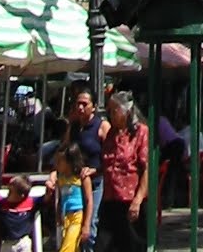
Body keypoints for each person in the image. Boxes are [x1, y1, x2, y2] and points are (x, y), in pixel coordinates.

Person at [96, 93, 148, 252]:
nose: (110, 115)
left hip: (129, 201)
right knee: (103, 247)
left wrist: (138, 200)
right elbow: (108, 163)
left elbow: (146, 168)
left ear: (125, 111)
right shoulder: (111, 134)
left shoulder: (141, 132)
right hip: (110, 200)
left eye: (113, 111)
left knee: (131, 246)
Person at [68, 85, 108, 252]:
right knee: (75, 224)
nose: (80, 107)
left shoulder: (102, 126)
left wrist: (96, 170)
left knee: (90, 226)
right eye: (78, 103)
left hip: (96, 182)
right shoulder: (74, 127)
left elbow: (112, 156)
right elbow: (64, 150)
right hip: (75, 183)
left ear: (94, 106)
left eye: (84, 104)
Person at [49, 139, 94, 252]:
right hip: (65, 217)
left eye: (60, 161)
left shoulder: (82, 178)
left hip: (77, 217)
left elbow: (89, 201)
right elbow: (60, 199)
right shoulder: (61, 178)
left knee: (67, 248)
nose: (57, 164)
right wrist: (58, 214)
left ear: (69, 161)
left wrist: (86, 225)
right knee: (73, 247)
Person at [0, 175, 43, 252]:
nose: (9, 193)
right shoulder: (1, 205)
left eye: (11, 191)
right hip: (7, 243)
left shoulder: (31, 203)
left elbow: (46, 199)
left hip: (23, 242)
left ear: (22, 195)